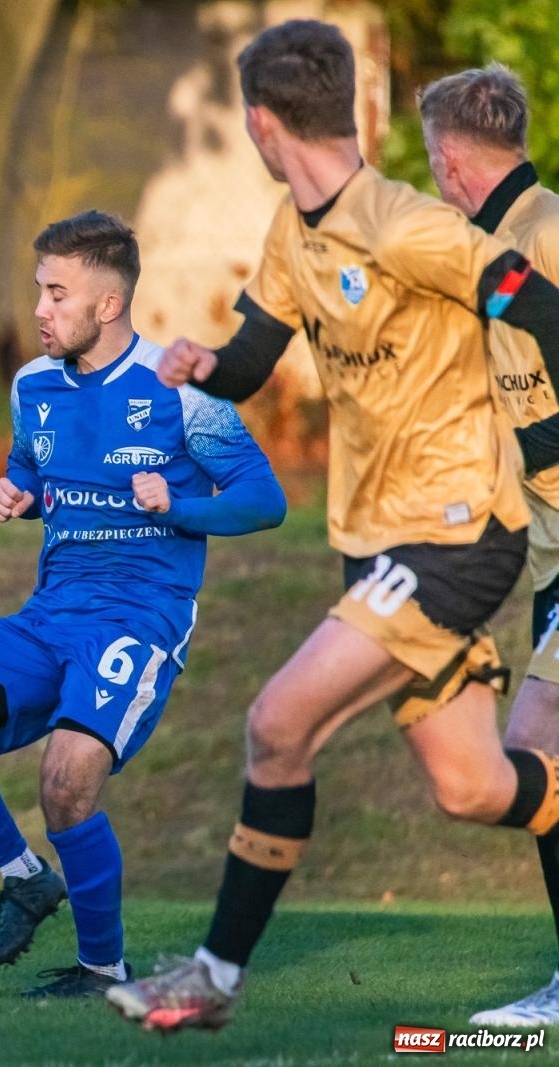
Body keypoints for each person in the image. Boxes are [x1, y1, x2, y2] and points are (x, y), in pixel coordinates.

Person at [107, 20, 559, 1033]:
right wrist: (205, 366)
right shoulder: (293, 230)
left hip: (456, 535)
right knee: (472, 784)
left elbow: (542, 308)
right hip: (375, 543)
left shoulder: (411, 228)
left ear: (262, 124)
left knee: (277, 722)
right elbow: (253, 357)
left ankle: (213, 976)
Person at [0, 211, 285, 999]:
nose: (39, 309)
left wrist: (178, 505)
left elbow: (265, 500)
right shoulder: (32, 386)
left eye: (56, 293)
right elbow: (36, 470)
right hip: (49, 615)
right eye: (40, 290)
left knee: (68, 776)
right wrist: (18, 493)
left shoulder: (183, 392)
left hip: (139, 619)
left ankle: (103, 967)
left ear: (108, 305)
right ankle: (25, 876)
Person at [420, 64, 559, 1028]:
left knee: (531, 749)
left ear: (450, 157)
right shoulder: (490, 251)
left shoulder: (544, 234)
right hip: (549, 560)